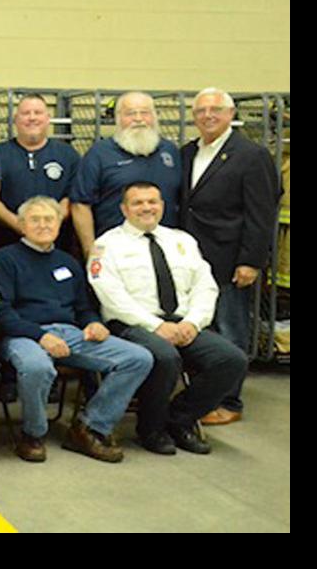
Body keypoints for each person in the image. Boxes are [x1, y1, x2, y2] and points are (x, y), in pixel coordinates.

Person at [88, 182, 248, 455]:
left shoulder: (182, 241)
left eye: (152, 201)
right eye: (138, 203)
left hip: (182, 322)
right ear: (124, 209)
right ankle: (151, 429)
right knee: (165, 356)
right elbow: (111, 295)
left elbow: (205, 286)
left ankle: (179, 419)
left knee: (231, 360)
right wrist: (157, 326)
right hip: (131, 324)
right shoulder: (106, 245)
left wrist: (192, 322)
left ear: (162, 206)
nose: (146, 208)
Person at [0, 196, 152, 463]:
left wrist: (93, 323)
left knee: (138, 358)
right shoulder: (4, 259)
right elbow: (1, 313)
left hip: (70, 333)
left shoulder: (68, 262)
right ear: (21, 225)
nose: (43, 225)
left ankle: (90, 427)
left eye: (49, 219)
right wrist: (41, 336)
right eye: (35, 220)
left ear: (59, 223)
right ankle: (33, 434)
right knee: (37, 367)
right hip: (23, 335)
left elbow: (83, 307)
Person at [181, 88, 280, 426]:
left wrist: (251, 261)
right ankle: (203, 396)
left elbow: (261, 213)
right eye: (201, 110)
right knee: (202, 330)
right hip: (192, 260)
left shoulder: (251, 155)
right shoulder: (188, 152)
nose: (208, 115)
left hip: (229, 260)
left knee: (231, 331)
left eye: (216, 109)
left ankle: (229, 401)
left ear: (231, 114)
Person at [71, 91, 182, 256]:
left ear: (154, 117)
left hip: (166, 250)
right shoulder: (99, 153)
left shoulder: (170, 151)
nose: (138, 119)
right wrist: (91, 251)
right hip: (115, 251)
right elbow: (80, 204)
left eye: (145, 112)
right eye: (130, 113)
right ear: (118, 118)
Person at [0, 95, 80, 252]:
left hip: (57, 246)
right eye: (26, 113)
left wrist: (48, 227)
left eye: (38, 113)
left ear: (48, 118)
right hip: (5, 243)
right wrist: (21, 225)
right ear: (15, 119)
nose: (32, 118)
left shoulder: (68, 154)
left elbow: (72, 198)